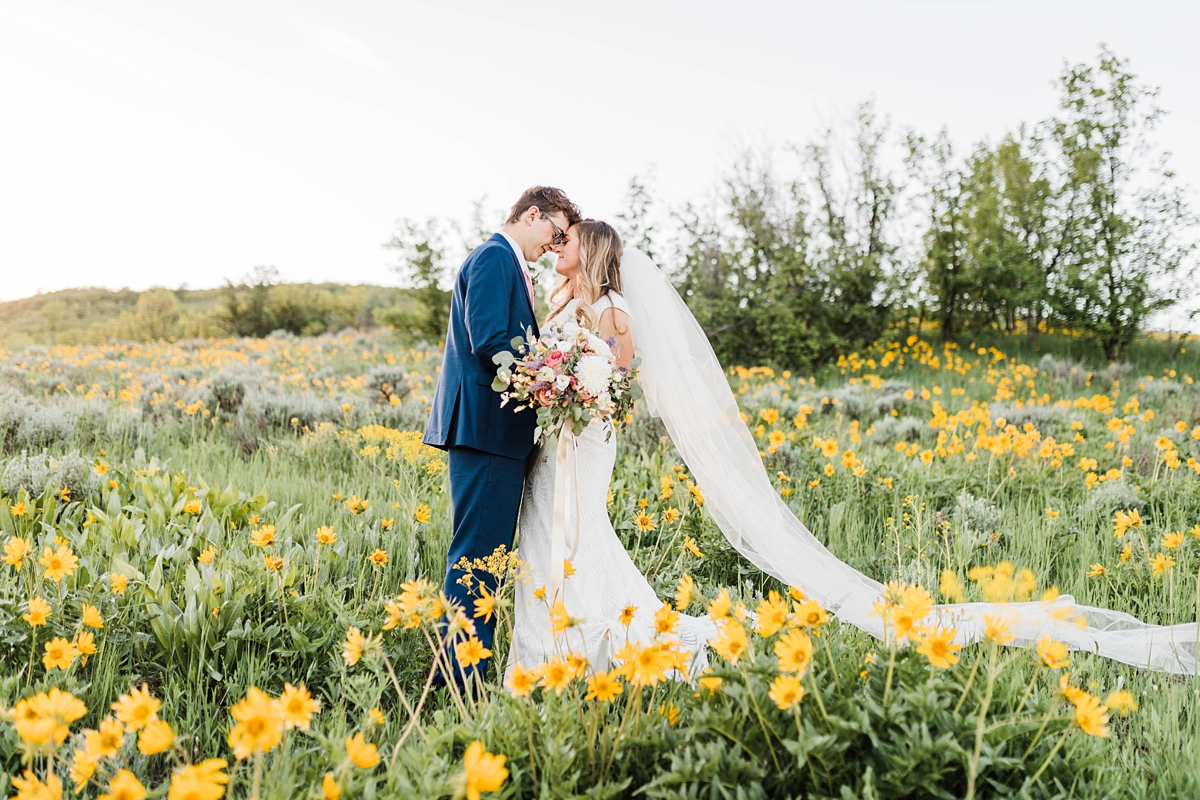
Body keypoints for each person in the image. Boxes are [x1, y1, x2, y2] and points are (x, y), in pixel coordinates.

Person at [423, 186, 581, 685]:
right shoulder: (494, 258)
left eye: (562, 242)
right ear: (532, 214)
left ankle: (465, 669)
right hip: (487, 431)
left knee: (485, 555)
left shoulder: (507, 263)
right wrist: (547, 385)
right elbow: (490, 338)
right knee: (476, 556)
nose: (555, 247)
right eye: (555, 234)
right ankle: (462, 677)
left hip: (493, 433)